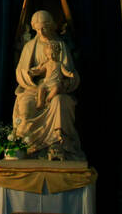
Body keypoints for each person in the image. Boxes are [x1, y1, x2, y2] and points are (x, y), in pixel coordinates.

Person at [11, 10, 83, 161]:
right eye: (37, 29)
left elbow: (70, 72)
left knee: (60, 102)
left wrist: (67, 82)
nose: (41, 32)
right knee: (25, 108)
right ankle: (28, 148)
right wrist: (30, 75)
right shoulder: (30, 46)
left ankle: (59, 145)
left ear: (51, 26)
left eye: (44, 28)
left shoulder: (60, 46)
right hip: (33, 89)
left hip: (57, 89)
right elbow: (21, 72)